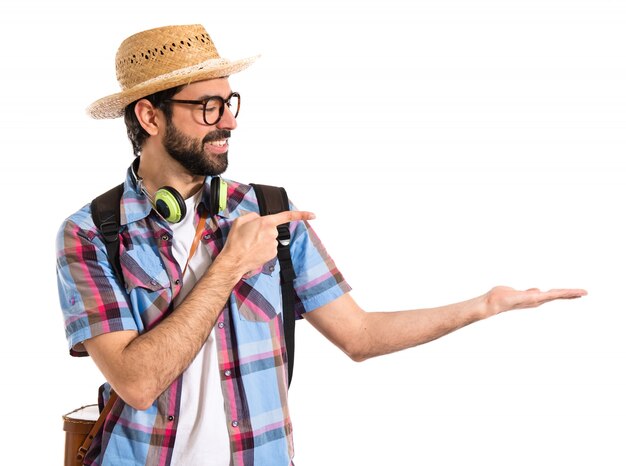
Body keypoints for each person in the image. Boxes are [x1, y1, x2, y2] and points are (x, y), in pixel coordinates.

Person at [56, 24, 587, 466]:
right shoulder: (92, 233)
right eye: (208, 107)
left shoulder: (270, 213)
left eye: (231, 102)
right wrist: (229, 266)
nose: (230, 121)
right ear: (150, 116)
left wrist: (483, 305)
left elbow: (359, 335)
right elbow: (138, 381)